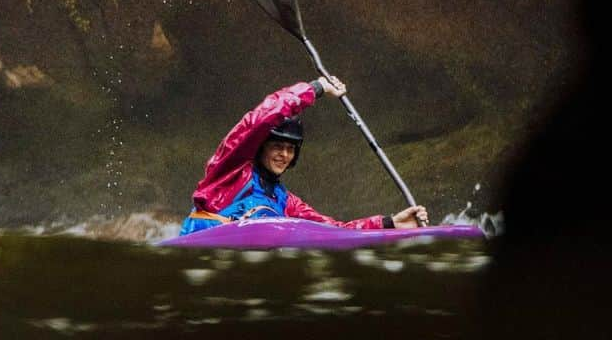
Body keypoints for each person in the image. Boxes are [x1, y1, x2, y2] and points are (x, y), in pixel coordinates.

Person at [179, 75, 428, 236]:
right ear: (261, 145)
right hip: (198, 261)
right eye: (277, 145)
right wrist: (316, 88)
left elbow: (334, 232)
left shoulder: (286, 202)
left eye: (291, 149)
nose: (284, 154)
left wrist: (390, 223)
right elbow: (261, 118)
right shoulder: (229, 171)